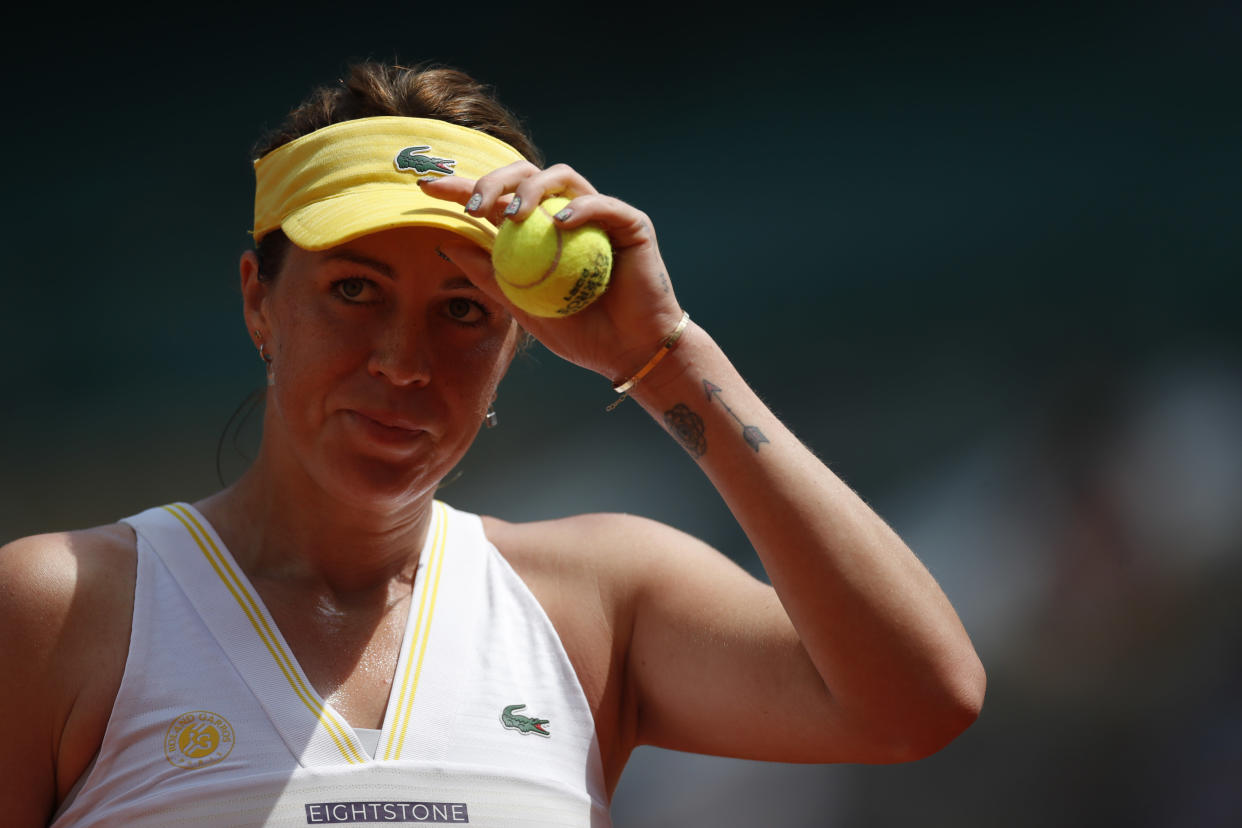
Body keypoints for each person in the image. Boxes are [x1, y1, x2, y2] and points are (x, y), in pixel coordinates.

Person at [0, 61, 985, 827]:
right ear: (260, 300)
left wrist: (665, 356)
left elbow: (921, 700)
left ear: (521, 338)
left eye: (465, 311)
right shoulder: (62, 609)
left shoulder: (598, 600)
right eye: (354, 291)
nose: (404, 362)